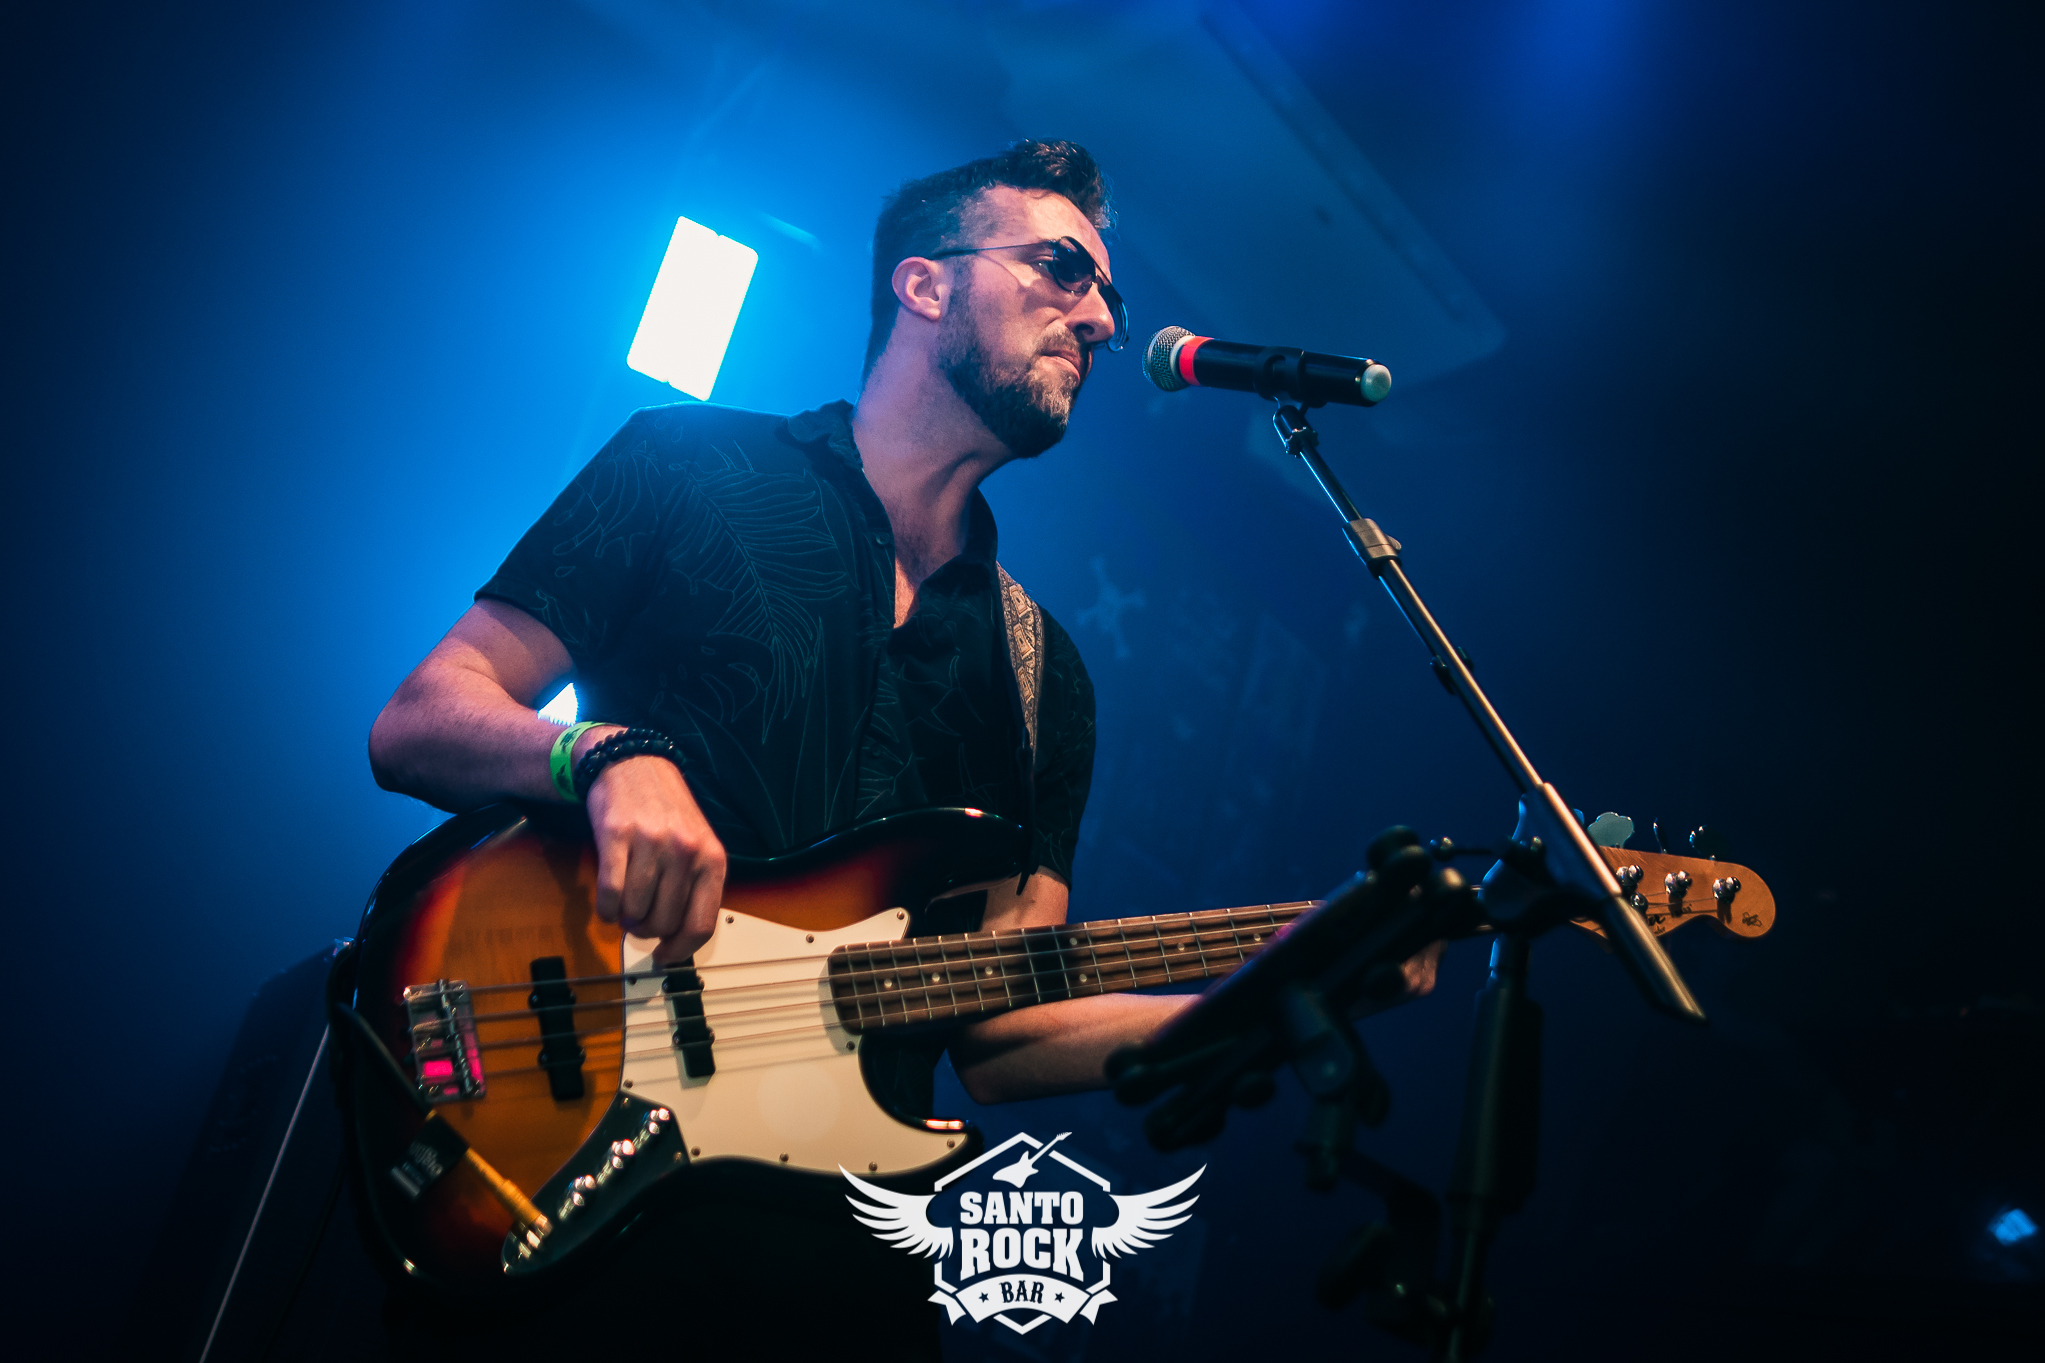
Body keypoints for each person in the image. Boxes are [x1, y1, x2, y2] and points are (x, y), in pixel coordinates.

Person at [369, 139, 1435, 1359]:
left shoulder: (1044, 678)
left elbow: (1002, 1033)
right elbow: (420, 719)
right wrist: (609, 755)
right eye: (1062, 269)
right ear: (923, 282)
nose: (1098, 320)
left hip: (832, 1266)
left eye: (1106, 295)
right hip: (563, 1178)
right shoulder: (686, 466)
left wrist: (1279, 990)